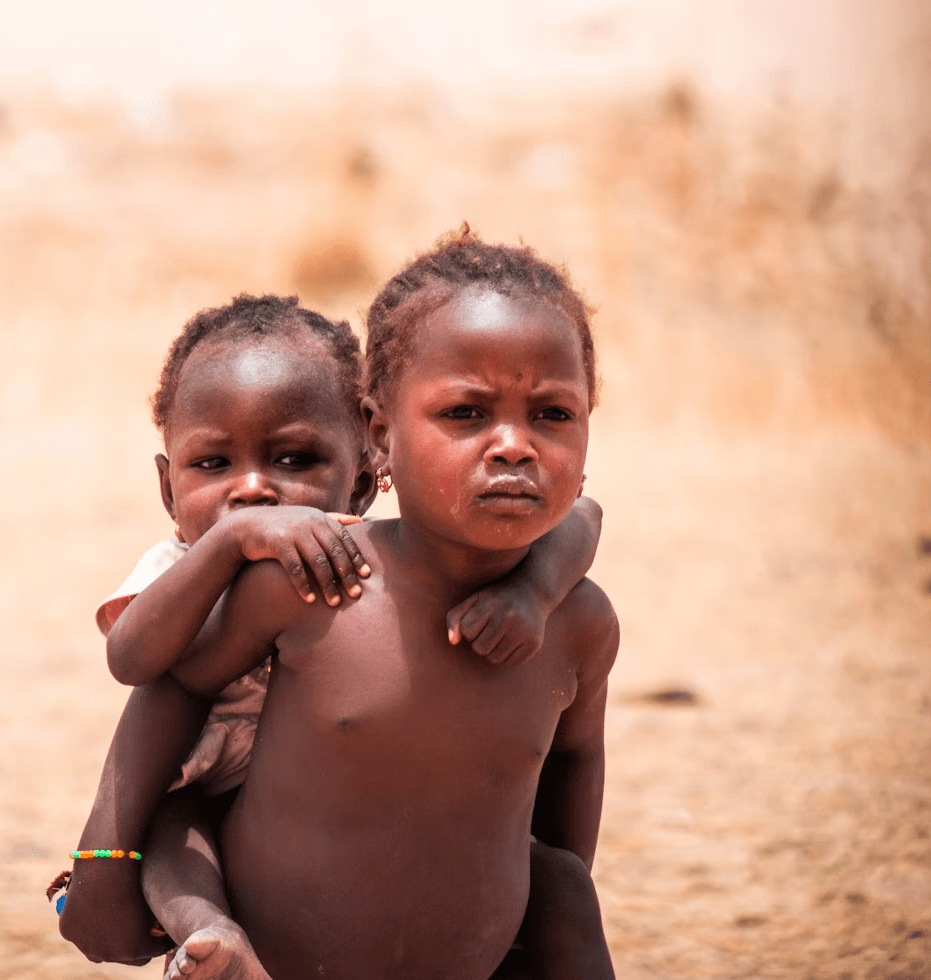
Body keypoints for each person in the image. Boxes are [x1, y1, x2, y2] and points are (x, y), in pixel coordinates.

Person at [54, 289, 607, 979]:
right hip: (215, 799)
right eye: (214, 464)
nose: (252, 490)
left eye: (294, 460)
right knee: (176, 826)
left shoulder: (350, 566)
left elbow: (583, 515)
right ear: (168, 490)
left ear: (366, 477)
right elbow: (137, 665)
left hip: (353, 820)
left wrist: (535, 591)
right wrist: (230, 542)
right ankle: (211, 933)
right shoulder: (180, 567)